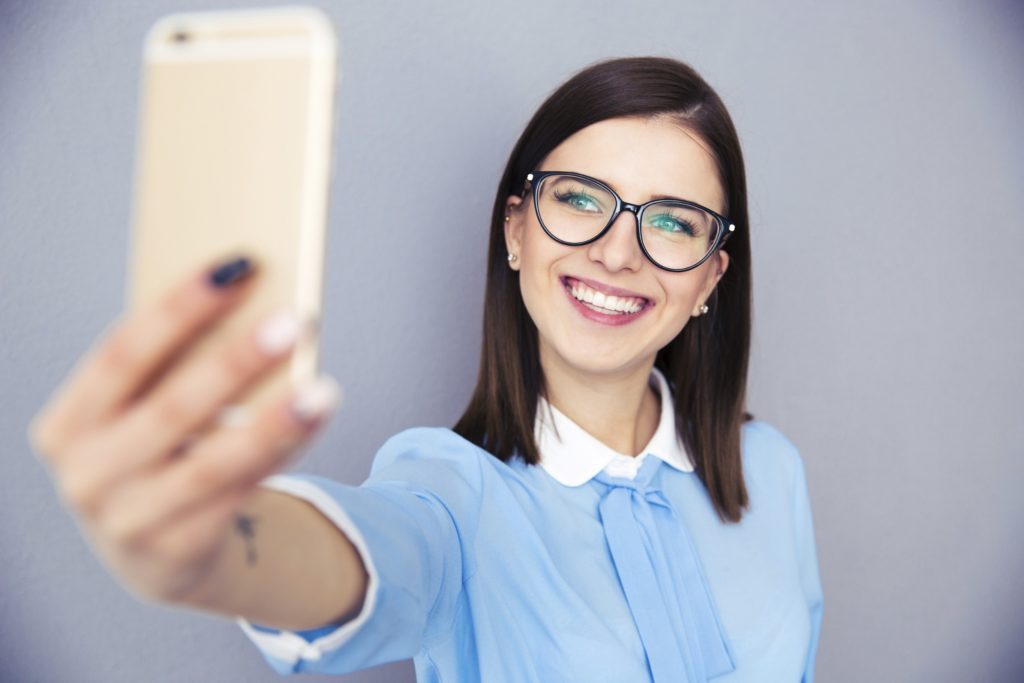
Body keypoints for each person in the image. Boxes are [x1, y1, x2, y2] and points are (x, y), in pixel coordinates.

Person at [28, 56, 824, 682]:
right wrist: (216, 551)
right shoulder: (449, 491)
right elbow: (370, 554)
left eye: (673, 221)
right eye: (580, 200)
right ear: (516, 232)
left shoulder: (773, 471)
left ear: (711, 277)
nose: (617, 251)